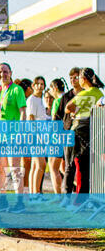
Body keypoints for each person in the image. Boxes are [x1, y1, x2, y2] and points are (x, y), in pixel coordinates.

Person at [0, 62, 27, 213]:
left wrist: (20, 133)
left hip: (13, 135)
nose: (2, 74)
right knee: (0, 167)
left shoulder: (17, 90)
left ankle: (19, 202)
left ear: (11, 72)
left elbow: (23, 112)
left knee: (15, 168)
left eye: (5, 71)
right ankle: (2, 200)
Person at [65, 67, 104, 205]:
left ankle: (76, 200)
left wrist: (75, 112)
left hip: (80, 131)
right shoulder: (99, 93)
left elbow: (68, 107)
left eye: (78, 77)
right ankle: (86, 198)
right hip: (94, 131)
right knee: (90, 166)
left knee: (77, 164)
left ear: (84, 79)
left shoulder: (84, 93)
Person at [57, 68, 82, 203]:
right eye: (71, 78)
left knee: (82, 167)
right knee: (68, 166)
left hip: (84, 134)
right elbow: (58, 115)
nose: (73, 80)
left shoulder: (85, 95)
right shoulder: (66, 96)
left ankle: (80, 197)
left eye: (76, 77)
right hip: (68, 133)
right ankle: (66, 197)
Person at [26, 76, 49, 201]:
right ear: (33, 86)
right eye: (38, 84)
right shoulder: (32, 100)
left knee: (35, 166)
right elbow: (30, 119)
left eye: (42, 84)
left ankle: (33, 193)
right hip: (35, 137)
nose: (40, 86)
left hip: (41, 136)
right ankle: (37, 193)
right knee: (41, 164)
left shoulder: (40, 100)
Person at [47, 78, 66, 196]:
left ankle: (58, 195)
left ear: (54, 88)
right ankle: (81, 189)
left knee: (53, 167)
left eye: (50, 89)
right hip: (68, 137)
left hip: (57, 138)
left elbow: (55, 122)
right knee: (64, 168)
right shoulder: (70, 98)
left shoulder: (57, 101)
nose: (49, 92)